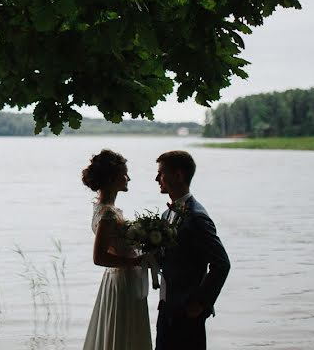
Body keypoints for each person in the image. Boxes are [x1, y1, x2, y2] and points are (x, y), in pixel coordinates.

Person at [154, 150, 230, 350]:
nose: (156, 179)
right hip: (166, 308)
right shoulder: (165, 215)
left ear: (178, 175)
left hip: (187, 311)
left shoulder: (197, 217)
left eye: (160, 173)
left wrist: (200, 303)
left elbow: (221, 263)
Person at [81, 149, 152, 350]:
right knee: (125, 332)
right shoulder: (108, 214)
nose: (128, 178)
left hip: (121, 279)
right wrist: (137, 261)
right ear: (113, 178)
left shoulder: (103, 208)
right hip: (123, 280)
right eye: (124, 174)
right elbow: (99, 257)